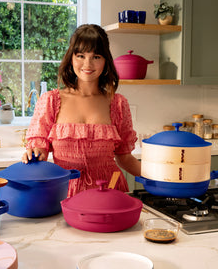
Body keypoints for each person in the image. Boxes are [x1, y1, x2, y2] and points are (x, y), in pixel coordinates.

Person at [22, 24, 141, 197]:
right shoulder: (51, 100)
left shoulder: (118, 104)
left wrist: (162, 178)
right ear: (71, 58)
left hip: (110, 192)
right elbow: (39, 149)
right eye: (81, 56)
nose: (88, 64)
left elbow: (125, 158)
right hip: (64, 193)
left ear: (106, 60)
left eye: (96, 57)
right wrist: (34, 153)